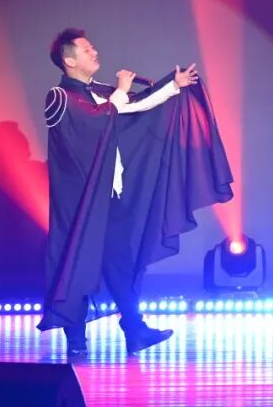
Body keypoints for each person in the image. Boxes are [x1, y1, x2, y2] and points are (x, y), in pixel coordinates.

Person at [38, 28, 234, 358]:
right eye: (87, 49)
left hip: (109, 200)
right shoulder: (59, 97)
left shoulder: (102, 94)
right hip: (81, 205)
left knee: (119, 264)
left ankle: (134, 329)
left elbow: (136, 107)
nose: (94, 52)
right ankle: (78, 340)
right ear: (69, 61)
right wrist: (120, 92)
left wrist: (173, 86)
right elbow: (93, 124)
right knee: (78, 265)